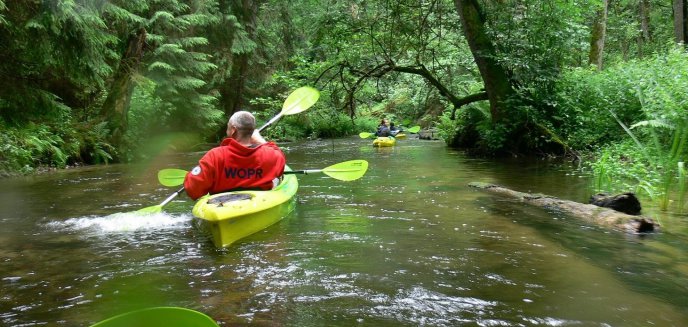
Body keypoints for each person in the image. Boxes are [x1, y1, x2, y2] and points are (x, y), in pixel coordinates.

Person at [184, 111, 286, 200]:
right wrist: (261, 141)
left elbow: (193, 189)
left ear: (233, 130)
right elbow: (281, 163)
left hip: (222, 206)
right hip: (258, 203)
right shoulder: (270, 154)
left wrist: (190, 176)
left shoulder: (214, 155)